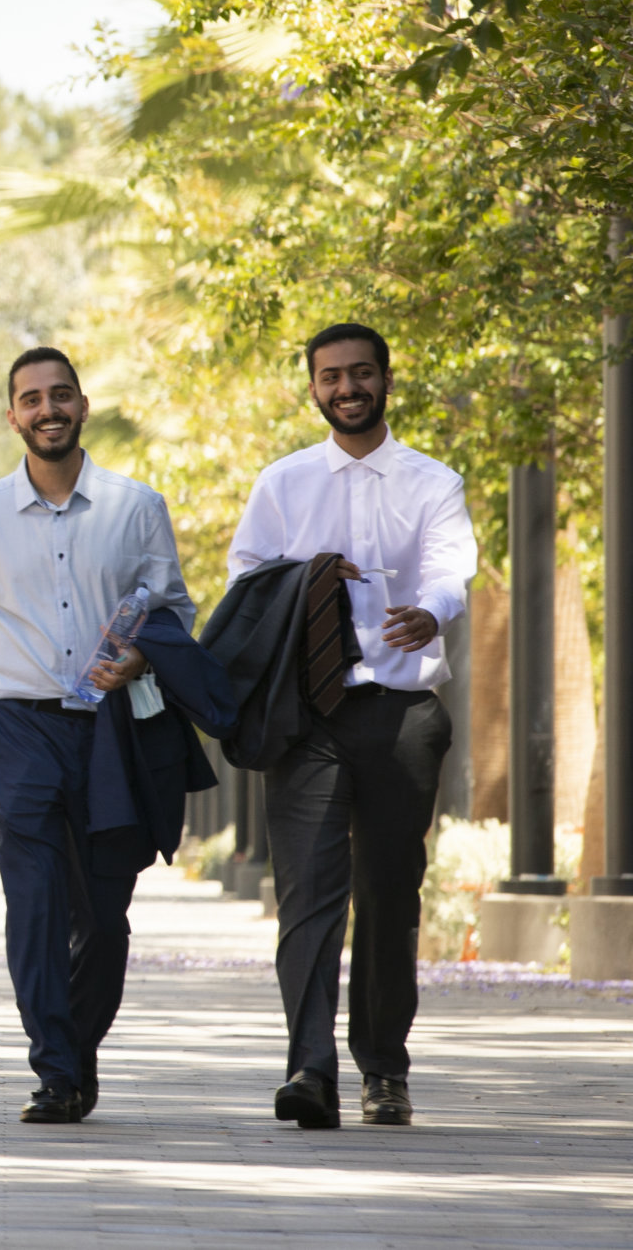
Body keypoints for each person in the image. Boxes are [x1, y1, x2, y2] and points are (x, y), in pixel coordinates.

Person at [0, 347, 235, 1124]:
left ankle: (75, 1043)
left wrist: (141, 658)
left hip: (110, 732)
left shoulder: (137, 507)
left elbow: (173, 613)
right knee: (33, 899)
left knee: (102, 917)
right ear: (13, 416)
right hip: (15, 724)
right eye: (31, 399)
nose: (47, 409)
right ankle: (55, 1068)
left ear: (83, 405)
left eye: (60, 395)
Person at [228, 322, 476, 1131]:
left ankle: (384, 1068)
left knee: (388, 891)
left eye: (361, 373)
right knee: (306, 894)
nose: (346, 388)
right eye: (331, 376)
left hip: (402, 714)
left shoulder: (433, 481)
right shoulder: (283, 484)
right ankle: (309, 1066)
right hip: (307, 715)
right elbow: (247, 587)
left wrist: (430, 612)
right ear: (313, 387)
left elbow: (449, 567)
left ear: (386, 380)